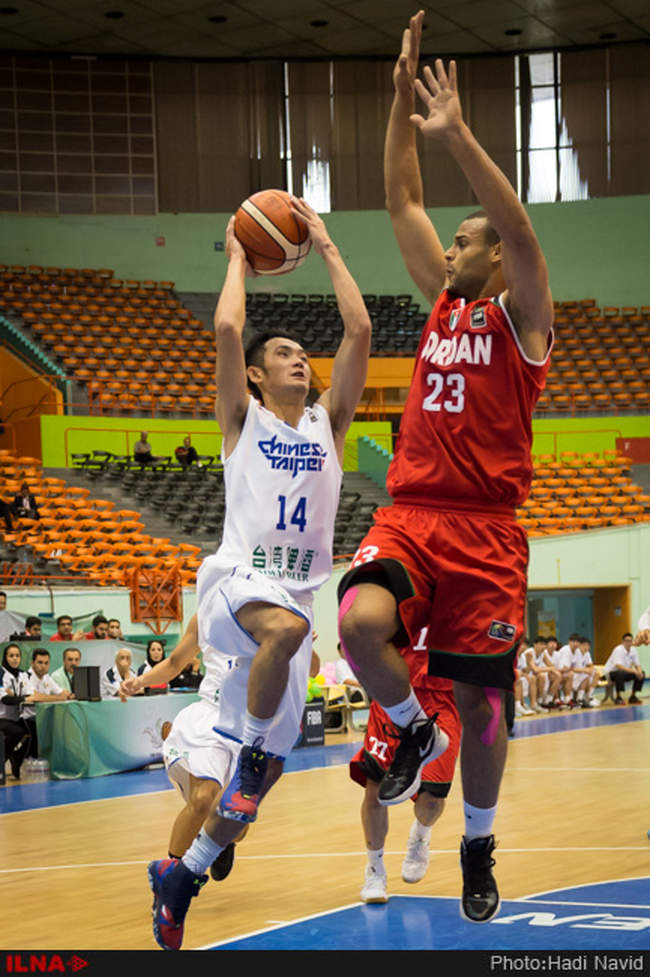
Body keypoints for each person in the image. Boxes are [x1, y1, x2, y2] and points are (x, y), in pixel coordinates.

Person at [336, 11, 553, 925]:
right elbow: (401, 200)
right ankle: (413, 731)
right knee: (359, 622)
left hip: (488, 530)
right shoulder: (441, 307)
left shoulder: (524, 319)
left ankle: (478, 840)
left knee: (487, 702)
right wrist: (399, 102)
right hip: (413, 515)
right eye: (454, 243)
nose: (450, 250)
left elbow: (519, 228)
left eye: (465, 243)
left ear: (494, 256)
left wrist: (458, 133)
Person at [131, 195, 371, 950]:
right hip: (236, 583)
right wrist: (238, 252)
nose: (300, 359)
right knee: (288, 630)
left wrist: (327, 246)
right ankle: (256, 751)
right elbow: (229, 330)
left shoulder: (329, 425)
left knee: (242, 805)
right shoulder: (244, 422)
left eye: (304, 354)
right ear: (259, 378)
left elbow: (360, 331)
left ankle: (181, 879)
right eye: (285, 354)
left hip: (287, 611)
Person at [350, 628, 461, 903]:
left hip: (442, 696)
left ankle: (420, 835)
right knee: (375, 789)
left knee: (432, 800)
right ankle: (375, 870)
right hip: (395, 690)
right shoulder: (394, 602)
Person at [23, 647, 72, 759]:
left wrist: (70, 695)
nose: (43, 666)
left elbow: (62, 693)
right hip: (30, 717)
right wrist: (58, 698)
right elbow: (35, 697)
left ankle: (60, 758)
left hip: (45, 716)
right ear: (32, 663)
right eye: (40, 662)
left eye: (46, 663)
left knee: (65, 724)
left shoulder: (47, 677)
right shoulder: (26, 676)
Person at [0, 643, 34, 777]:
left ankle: (16, 759)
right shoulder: (1, 674)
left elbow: (31, 695)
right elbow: (5, 699)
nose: (15, 659)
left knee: (33, 731)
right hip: (2, 717)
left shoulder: (23, 674)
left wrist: (15, 696)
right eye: (11, 656)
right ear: (5, 658)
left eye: (17, 656)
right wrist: (20, 698)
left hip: (16, 717)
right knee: (17, 732)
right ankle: (3, 758)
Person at [603, 633, 645, 704]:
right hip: (610, 674)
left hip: (624, 673)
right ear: (623, 642)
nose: (628, 643)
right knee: (620, 673)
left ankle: (633, 696)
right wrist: (634, 671)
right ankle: (618, 697)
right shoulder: (618, 649)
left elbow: (637, 664)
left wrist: (639, 672)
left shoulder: (633, 650)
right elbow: (619, 666)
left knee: (642, 673)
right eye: (627, 641)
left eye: (630, 641)